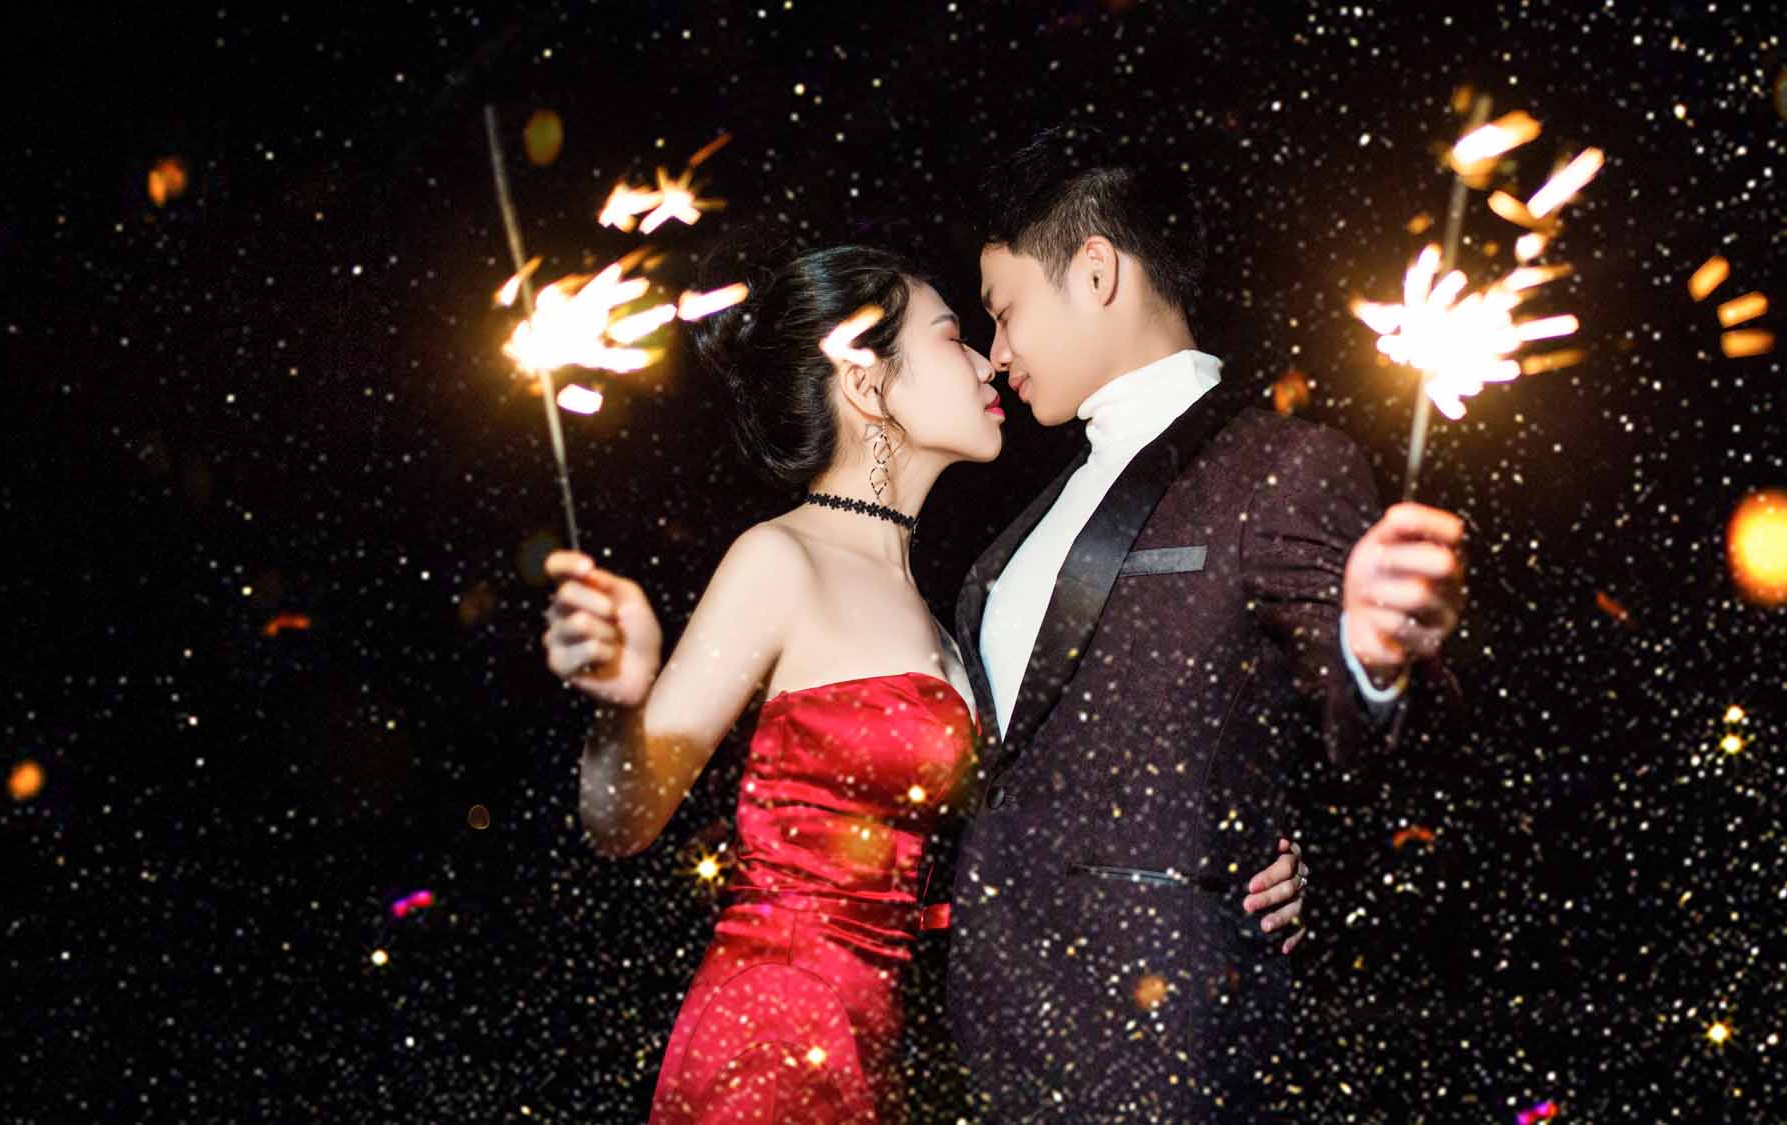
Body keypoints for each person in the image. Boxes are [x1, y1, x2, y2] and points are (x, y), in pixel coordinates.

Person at [537, 240, 1312, 1122]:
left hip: (888, 1051)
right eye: (953, 336)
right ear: (866, 381)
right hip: (774, 1040)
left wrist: (1237, 857)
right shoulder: (780, 559)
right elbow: (624, 820)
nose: (988, 360)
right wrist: (619, 707)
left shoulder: (955, 608)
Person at [943, 126, 1469, 1119]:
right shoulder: (1022, 523)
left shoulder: (1279, 465)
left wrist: (1371, 659)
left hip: (1162, 1030)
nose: (997, 350)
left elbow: (1389, 746)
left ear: (1095, 271)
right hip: (992, 1035)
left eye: (1005, 312)